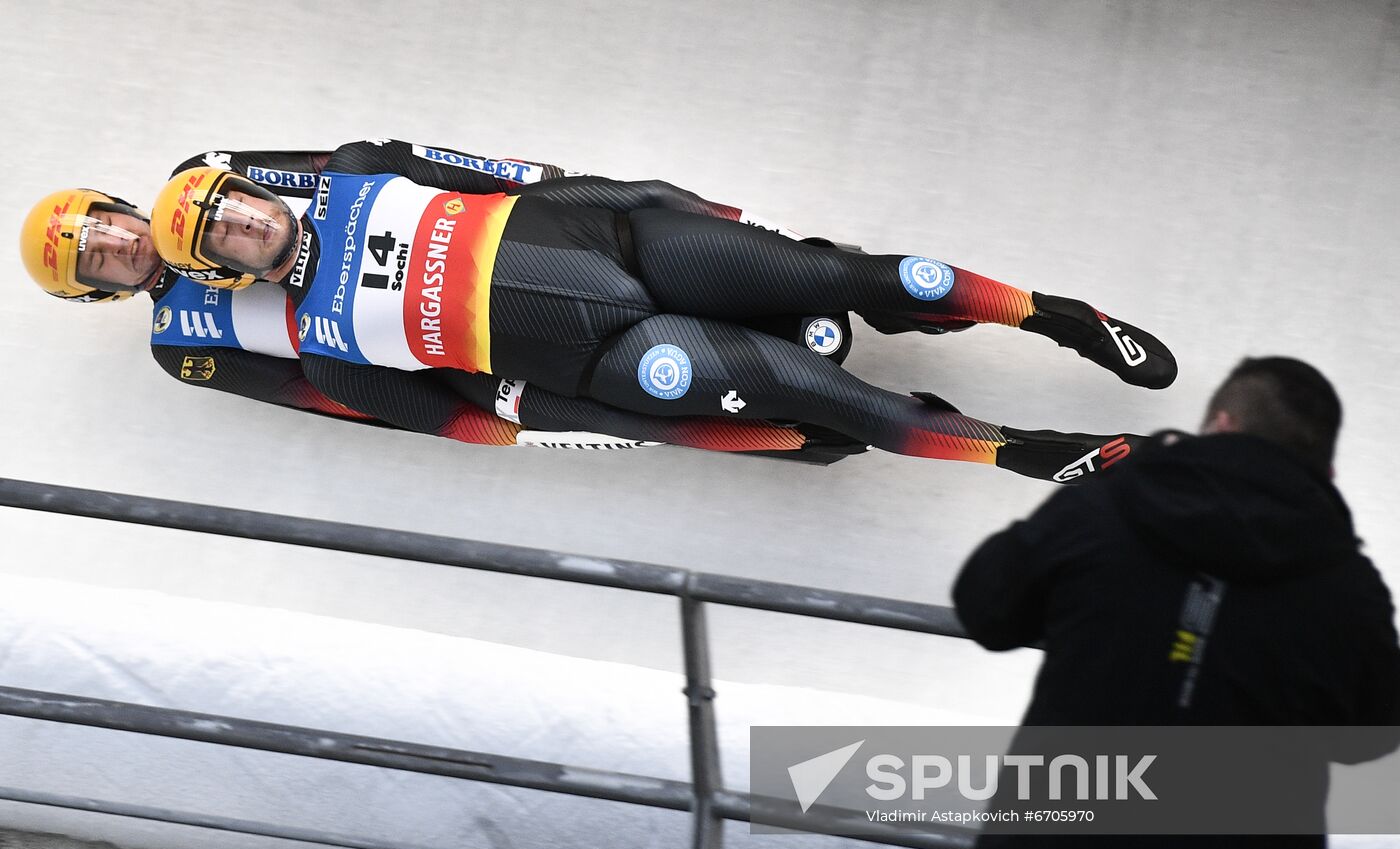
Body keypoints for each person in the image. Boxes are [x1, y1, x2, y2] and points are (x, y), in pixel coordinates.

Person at [148, 138, 1177, 482]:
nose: (240, 225)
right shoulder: (328, 356)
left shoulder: (359, 170)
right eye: (222, 238)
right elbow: (466, 418)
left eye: (235, 206)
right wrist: (585, 428)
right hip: (613, 349)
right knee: (848, 401)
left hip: (618, 243)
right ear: (225, 271)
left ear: (252, 189)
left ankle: (1053, 314)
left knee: (855, 277)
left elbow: (510, 173)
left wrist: (672, 205)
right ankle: (1029, 451)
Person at [19, 146, 865, 461]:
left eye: (105, 229)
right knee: (598, 407)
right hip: (417, 354)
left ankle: (817, 269)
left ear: (115, 206)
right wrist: (441, 419)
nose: (120, 247)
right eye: (98, 261)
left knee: (646, 207)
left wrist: (518, 183)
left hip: (449, 253)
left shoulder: (207, 179)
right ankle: (793, 432)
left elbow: (361, 165)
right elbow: (311, 392)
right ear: (99, 291)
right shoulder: (179, 344)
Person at [951, 357, 1400, 849]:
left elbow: (986, 607)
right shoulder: (1348, 588)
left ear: (1220, 425)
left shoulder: (1105, 506)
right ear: (1327, 469)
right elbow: (1368, 739)